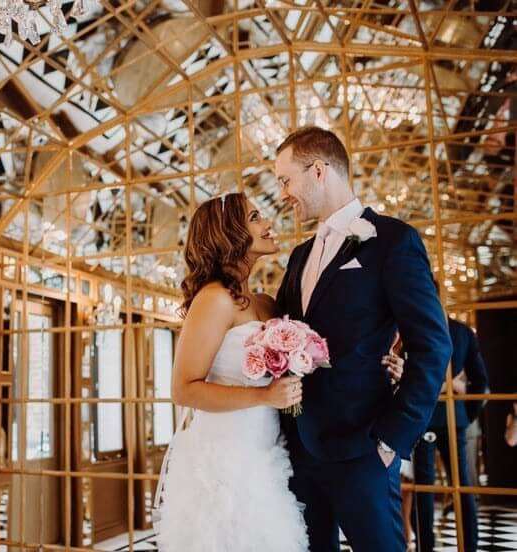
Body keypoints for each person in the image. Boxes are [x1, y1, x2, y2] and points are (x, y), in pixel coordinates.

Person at [153, 192, 405, 551]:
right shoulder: (213, 300)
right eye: (255, 217)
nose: (268, 223)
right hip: (228, 461)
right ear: (229, 232)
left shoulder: (267, 302)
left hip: (272, 457)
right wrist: (264, 395)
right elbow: (184, 389)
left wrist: (379, 364)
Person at [274, 126, 452, 552]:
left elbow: (432, 344)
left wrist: (392, 438)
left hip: (364, 451)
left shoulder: (393, 241)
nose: (281, 194)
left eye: (285, 179)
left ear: (318, 171)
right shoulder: (299, 256)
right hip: (300, 451)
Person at [413, 317, 488, 552]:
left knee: (424, 487)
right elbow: (481, 382)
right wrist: (466, 414)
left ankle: (425, 546)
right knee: (461, 485)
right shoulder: (462, 332)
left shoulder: (416, 324)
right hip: (453, 417)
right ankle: (469, 545)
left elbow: (413, 375)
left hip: (423, 414)